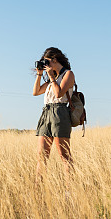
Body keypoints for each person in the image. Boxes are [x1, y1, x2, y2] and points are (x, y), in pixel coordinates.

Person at [33, 47, 75, 183]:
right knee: (42, 156)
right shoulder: (55, 78)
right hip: (46, 113)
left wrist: (51, 76)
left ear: (55, 59)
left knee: (64, 156)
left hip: (60, 113)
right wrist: (40, 75)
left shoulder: (68, 74)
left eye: (47, 62)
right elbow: (36, 91)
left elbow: (59, 94)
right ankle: (38, 190)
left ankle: (70, 190)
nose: (45, 65)